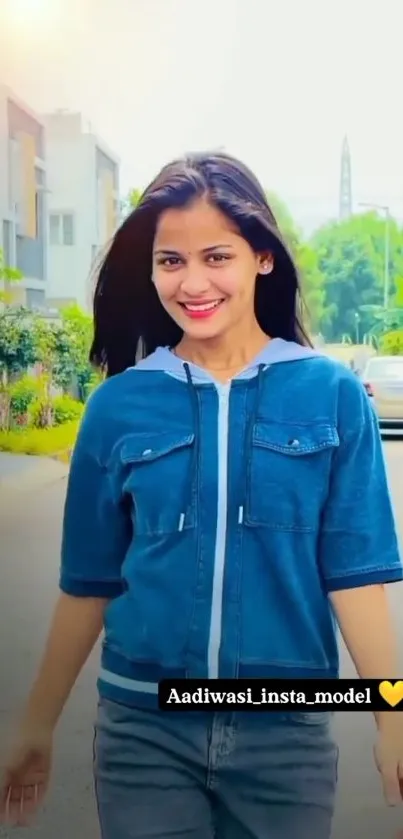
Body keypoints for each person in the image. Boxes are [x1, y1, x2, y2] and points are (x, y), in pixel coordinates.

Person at [1, 152, 403, 838]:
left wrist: (392, 722)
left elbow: (355, 576)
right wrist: (36, 721)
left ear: (261, 259)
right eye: (169, 261)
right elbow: (88, 582)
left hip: (285, 737)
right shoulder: (118, 406)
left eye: (216, 256)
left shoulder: (331, 396)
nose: (192, 282)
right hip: (143, 732)